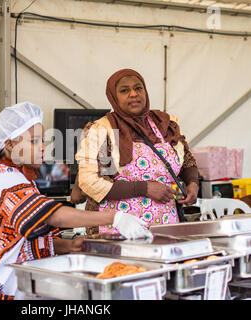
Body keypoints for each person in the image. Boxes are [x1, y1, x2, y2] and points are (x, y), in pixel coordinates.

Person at [0, 102, 142, 300]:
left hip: (4, 284)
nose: (44, 147)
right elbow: (54, 216)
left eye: (42, 141)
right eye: (34, 141)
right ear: (10, 144)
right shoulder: (1, 177)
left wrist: (72, 246)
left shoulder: (25, 181)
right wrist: (115, 217)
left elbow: (31, 238)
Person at [71, 68, 199, 234]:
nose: (133, 94)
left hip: (164, 226)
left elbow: (187, 161)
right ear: (114, 97)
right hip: (116, 230)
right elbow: (90, 182)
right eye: (124, 90)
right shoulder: (103, 131)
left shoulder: (165, 124)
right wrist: (144, 188)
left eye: (138, 88)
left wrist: (192, 184)